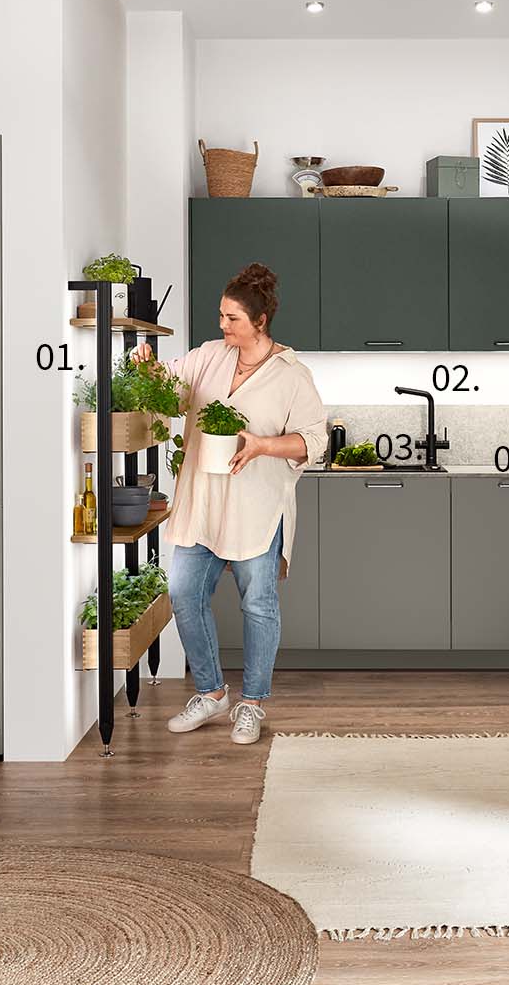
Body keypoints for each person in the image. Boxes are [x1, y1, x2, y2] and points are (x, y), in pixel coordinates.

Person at [162, 262, 327, 745]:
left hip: (258, 505)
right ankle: (212, 694)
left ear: (260, 321)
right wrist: (151, 368)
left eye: (232, 318)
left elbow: (314, 441)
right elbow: (171, 388)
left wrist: (261, 445)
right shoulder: (209, 357)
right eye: (220, 315)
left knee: (258, 604)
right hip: (203, 500)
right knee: (183, 593)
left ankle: (251, 704)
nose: (222, 325)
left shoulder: (291, 375)